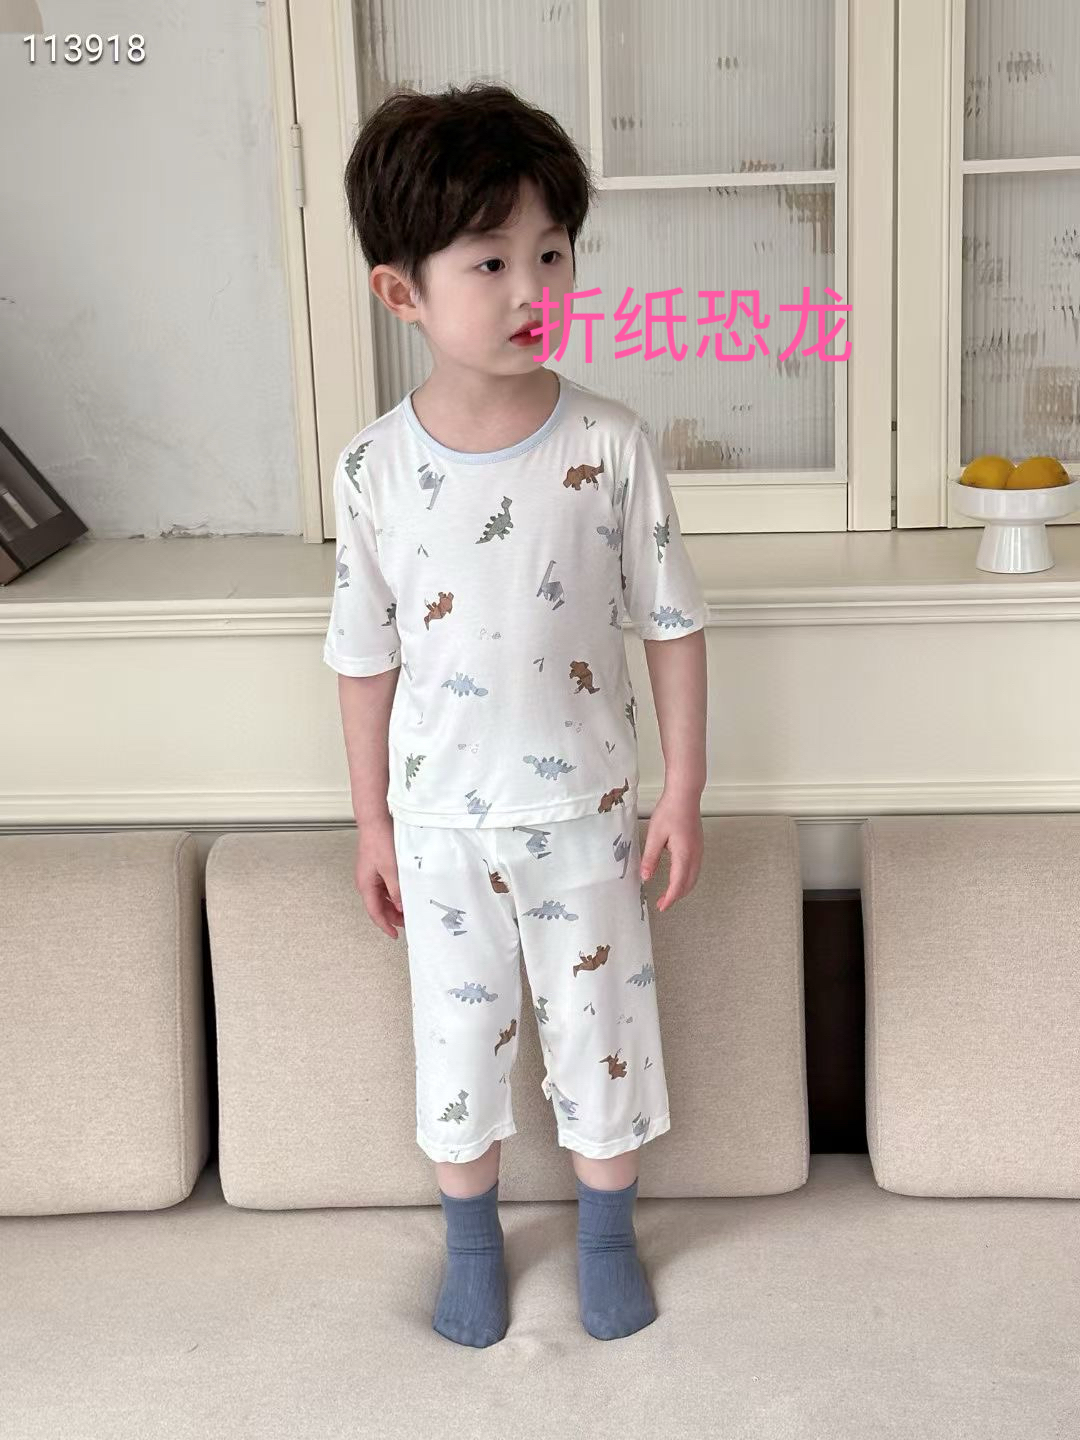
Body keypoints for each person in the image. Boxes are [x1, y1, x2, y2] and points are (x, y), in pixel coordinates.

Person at [324, 80, 708, 1348]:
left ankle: (606, 1238)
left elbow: (671, 622)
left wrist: (682, 789)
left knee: (605, 1032)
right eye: (490, 261)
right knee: (457, 1043)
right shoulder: (374, 470)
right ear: (403, 293)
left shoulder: (612, 444)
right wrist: (372, 823)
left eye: (552, 252)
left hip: (587, 813)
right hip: (441, 827)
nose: (532, 287)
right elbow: (362, 657)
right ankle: (473, 1244)